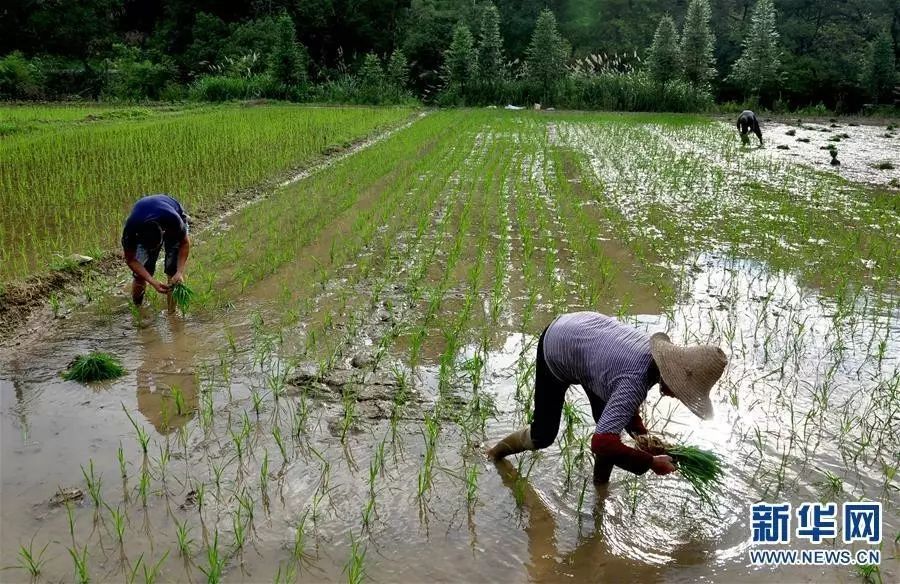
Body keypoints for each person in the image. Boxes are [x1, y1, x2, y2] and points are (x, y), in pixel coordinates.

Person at [487, 311, 727, 484]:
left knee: (608, 423)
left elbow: (622, 399)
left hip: (586, 341)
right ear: (673, 377)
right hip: (558, 344)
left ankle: (599, 487)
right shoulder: (635, 379)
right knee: (543, 435)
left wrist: (642, 437)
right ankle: (494, 453)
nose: (676, 397)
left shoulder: (652, 358)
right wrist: (651, 463)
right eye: (681, 391)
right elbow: (601, 442)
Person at [122, 194, 191, 306]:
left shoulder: (173, 220)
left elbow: (185, 243)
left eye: (156, 246)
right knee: (140, 275)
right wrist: (152, 281)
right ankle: (138, 308)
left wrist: (179, 272)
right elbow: (130, 260)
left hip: (169, 212)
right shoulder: (131, 228)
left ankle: (172, 314)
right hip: (143, 217)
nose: (155, 250)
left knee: (172, 270)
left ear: (163, 233)